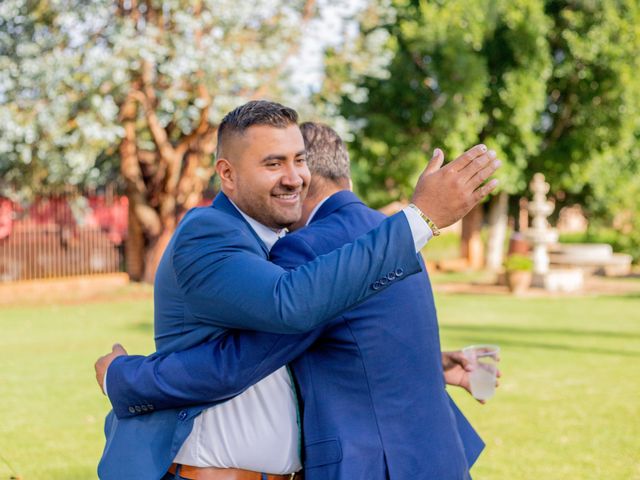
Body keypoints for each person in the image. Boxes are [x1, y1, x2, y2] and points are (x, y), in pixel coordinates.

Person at [96, 101, 500, 480]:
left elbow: (328, 334)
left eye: (299, 160)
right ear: (228, 174)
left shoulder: (286, 242)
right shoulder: (210, 232)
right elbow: (277, 320)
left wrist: (425, 363)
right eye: (273, 163)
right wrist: (420, 219)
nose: (294, 178)